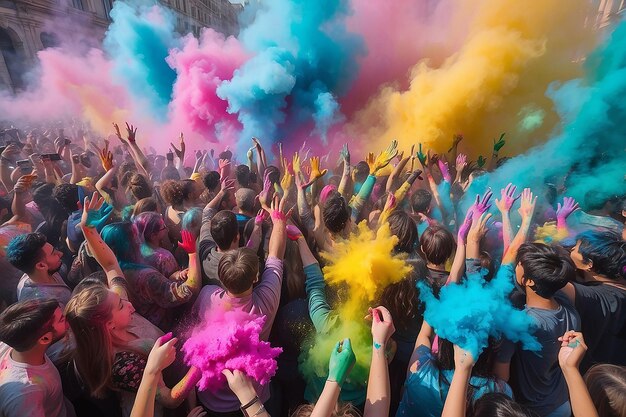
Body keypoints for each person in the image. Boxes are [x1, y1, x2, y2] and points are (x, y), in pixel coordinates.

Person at [192, 194, 288, 415]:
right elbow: (276, 255)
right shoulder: (266, 301)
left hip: (210, 399)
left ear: (222, 279)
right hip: (251, 399)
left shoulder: (208, 295)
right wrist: (279, 221)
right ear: (256, 278)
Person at [559, 229, 626, 372]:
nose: (571, 249)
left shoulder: (595, 297)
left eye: (576, 249)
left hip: (595, 381)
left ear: (589, 264)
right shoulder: (618, 287)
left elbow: (544, 276)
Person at [0, 298, 75, 417]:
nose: (66, 318)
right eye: (61, 320)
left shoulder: (12, 344)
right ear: (45, 339)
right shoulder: (26, 394)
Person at [6, 232, 70, 306]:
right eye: (54, 253)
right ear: (41, 265)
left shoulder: (34, 271)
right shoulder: (45, 304)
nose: (61, 253)